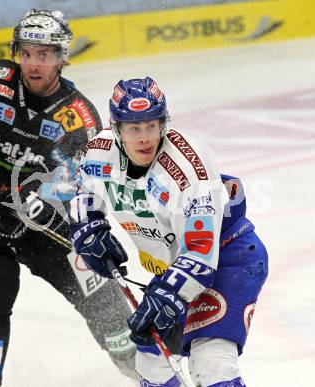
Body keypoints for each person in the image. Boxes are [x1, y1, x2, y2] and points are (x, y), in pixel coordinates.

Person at [0, 9, 138, 387]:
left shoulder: (78, 119)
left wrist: (39, 203)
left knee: (102, 294)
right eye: (26, 53)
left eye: (43, 55)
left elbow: (78, 186)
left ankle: (144, 371)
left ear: (62, 57)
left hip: (38, 221)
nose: (32, 63)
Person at [69, 77, 269, 386]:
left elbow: (201, 256)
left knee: (211, 361)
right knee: (150, 365)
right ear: (117, 128)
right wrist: (88, 227)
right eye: (134, 128)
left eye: (152, 125)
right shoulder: (99, 151)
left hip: (229, 259)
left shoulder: (189, 167)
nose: (145, 137)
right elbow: (82, 194)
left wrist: (166, 294)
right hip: (174, 270)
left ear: (164, 123)